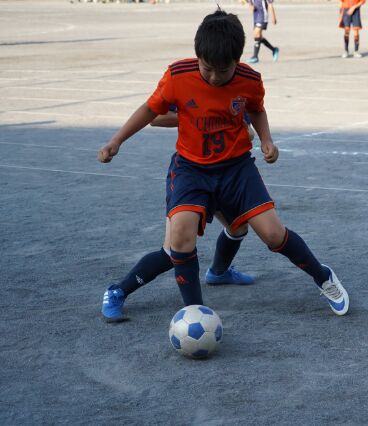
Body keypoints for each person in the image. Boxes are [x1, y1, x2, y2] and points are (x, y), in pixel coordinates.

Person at [98, 9, 349, 319]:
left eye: (224, 70)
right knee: (178, 240)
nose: (215, 77)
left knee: (271, 234)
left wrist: (267, 140)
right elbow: (151, 111)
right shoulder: (178, 76)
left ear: (238, 60)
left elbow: (257, 109)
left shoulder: (249, 80)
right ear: (198, 57)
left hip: (236, 170)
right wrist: (116, 141)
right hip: (191, 169)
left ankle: (323, 277)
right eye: (207, 69)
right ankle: (188, 310)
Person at [100, 110, 256, 323]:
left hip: (224, 172)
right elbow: (156, 118)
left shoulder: (233, 89)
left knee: (238, 227)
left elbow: (248, 130)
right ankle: (117, 291)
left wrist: (241, 128)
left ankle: (218, 273)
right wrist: (201, 118)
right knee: (172, 250)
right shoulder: (189, 88)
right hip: (191, 175)